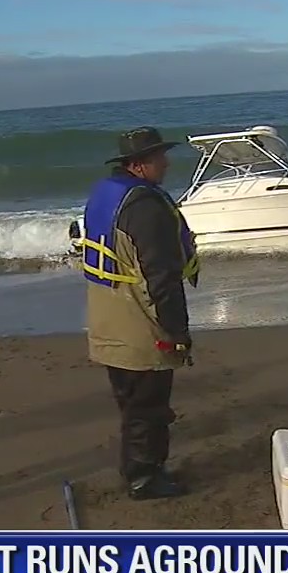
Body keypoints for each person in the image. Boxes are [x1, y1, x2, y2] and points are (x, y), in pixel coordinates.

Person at [82, 127, 201, 501]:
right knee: (148, 407)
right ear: (138, 165)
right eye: (158, 157)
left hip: (107, 316)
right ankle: (143, 478)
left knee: (132, 402)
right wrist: (177, 331)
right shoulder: (146, 208)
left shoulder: (106, 194)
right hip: (139, 323)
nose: (165, 162)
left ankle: (139, 468)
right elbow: (161, 277)